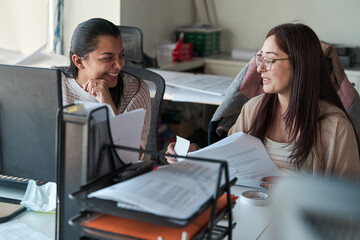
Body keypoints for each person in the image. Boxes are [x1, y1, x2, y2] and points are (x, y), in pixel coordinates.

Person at [166, 23, 360, 187]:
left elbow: (349, 202)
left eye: (270, 60)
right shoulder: (253, 109)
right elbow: (227, 162)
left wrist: (295, 188)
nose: (259, 68)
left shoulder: (336, 127)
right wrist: (195, 155)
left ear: (300, 64)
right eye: (260, 58)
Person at [61, 18, 151, 149]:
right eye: (107, 58)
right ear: (79, 62)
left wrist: (107, 106)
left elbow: (133, 155)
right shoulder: (54, 84)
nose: (120, 65)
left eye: (121, 55)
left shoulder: (135, 91)